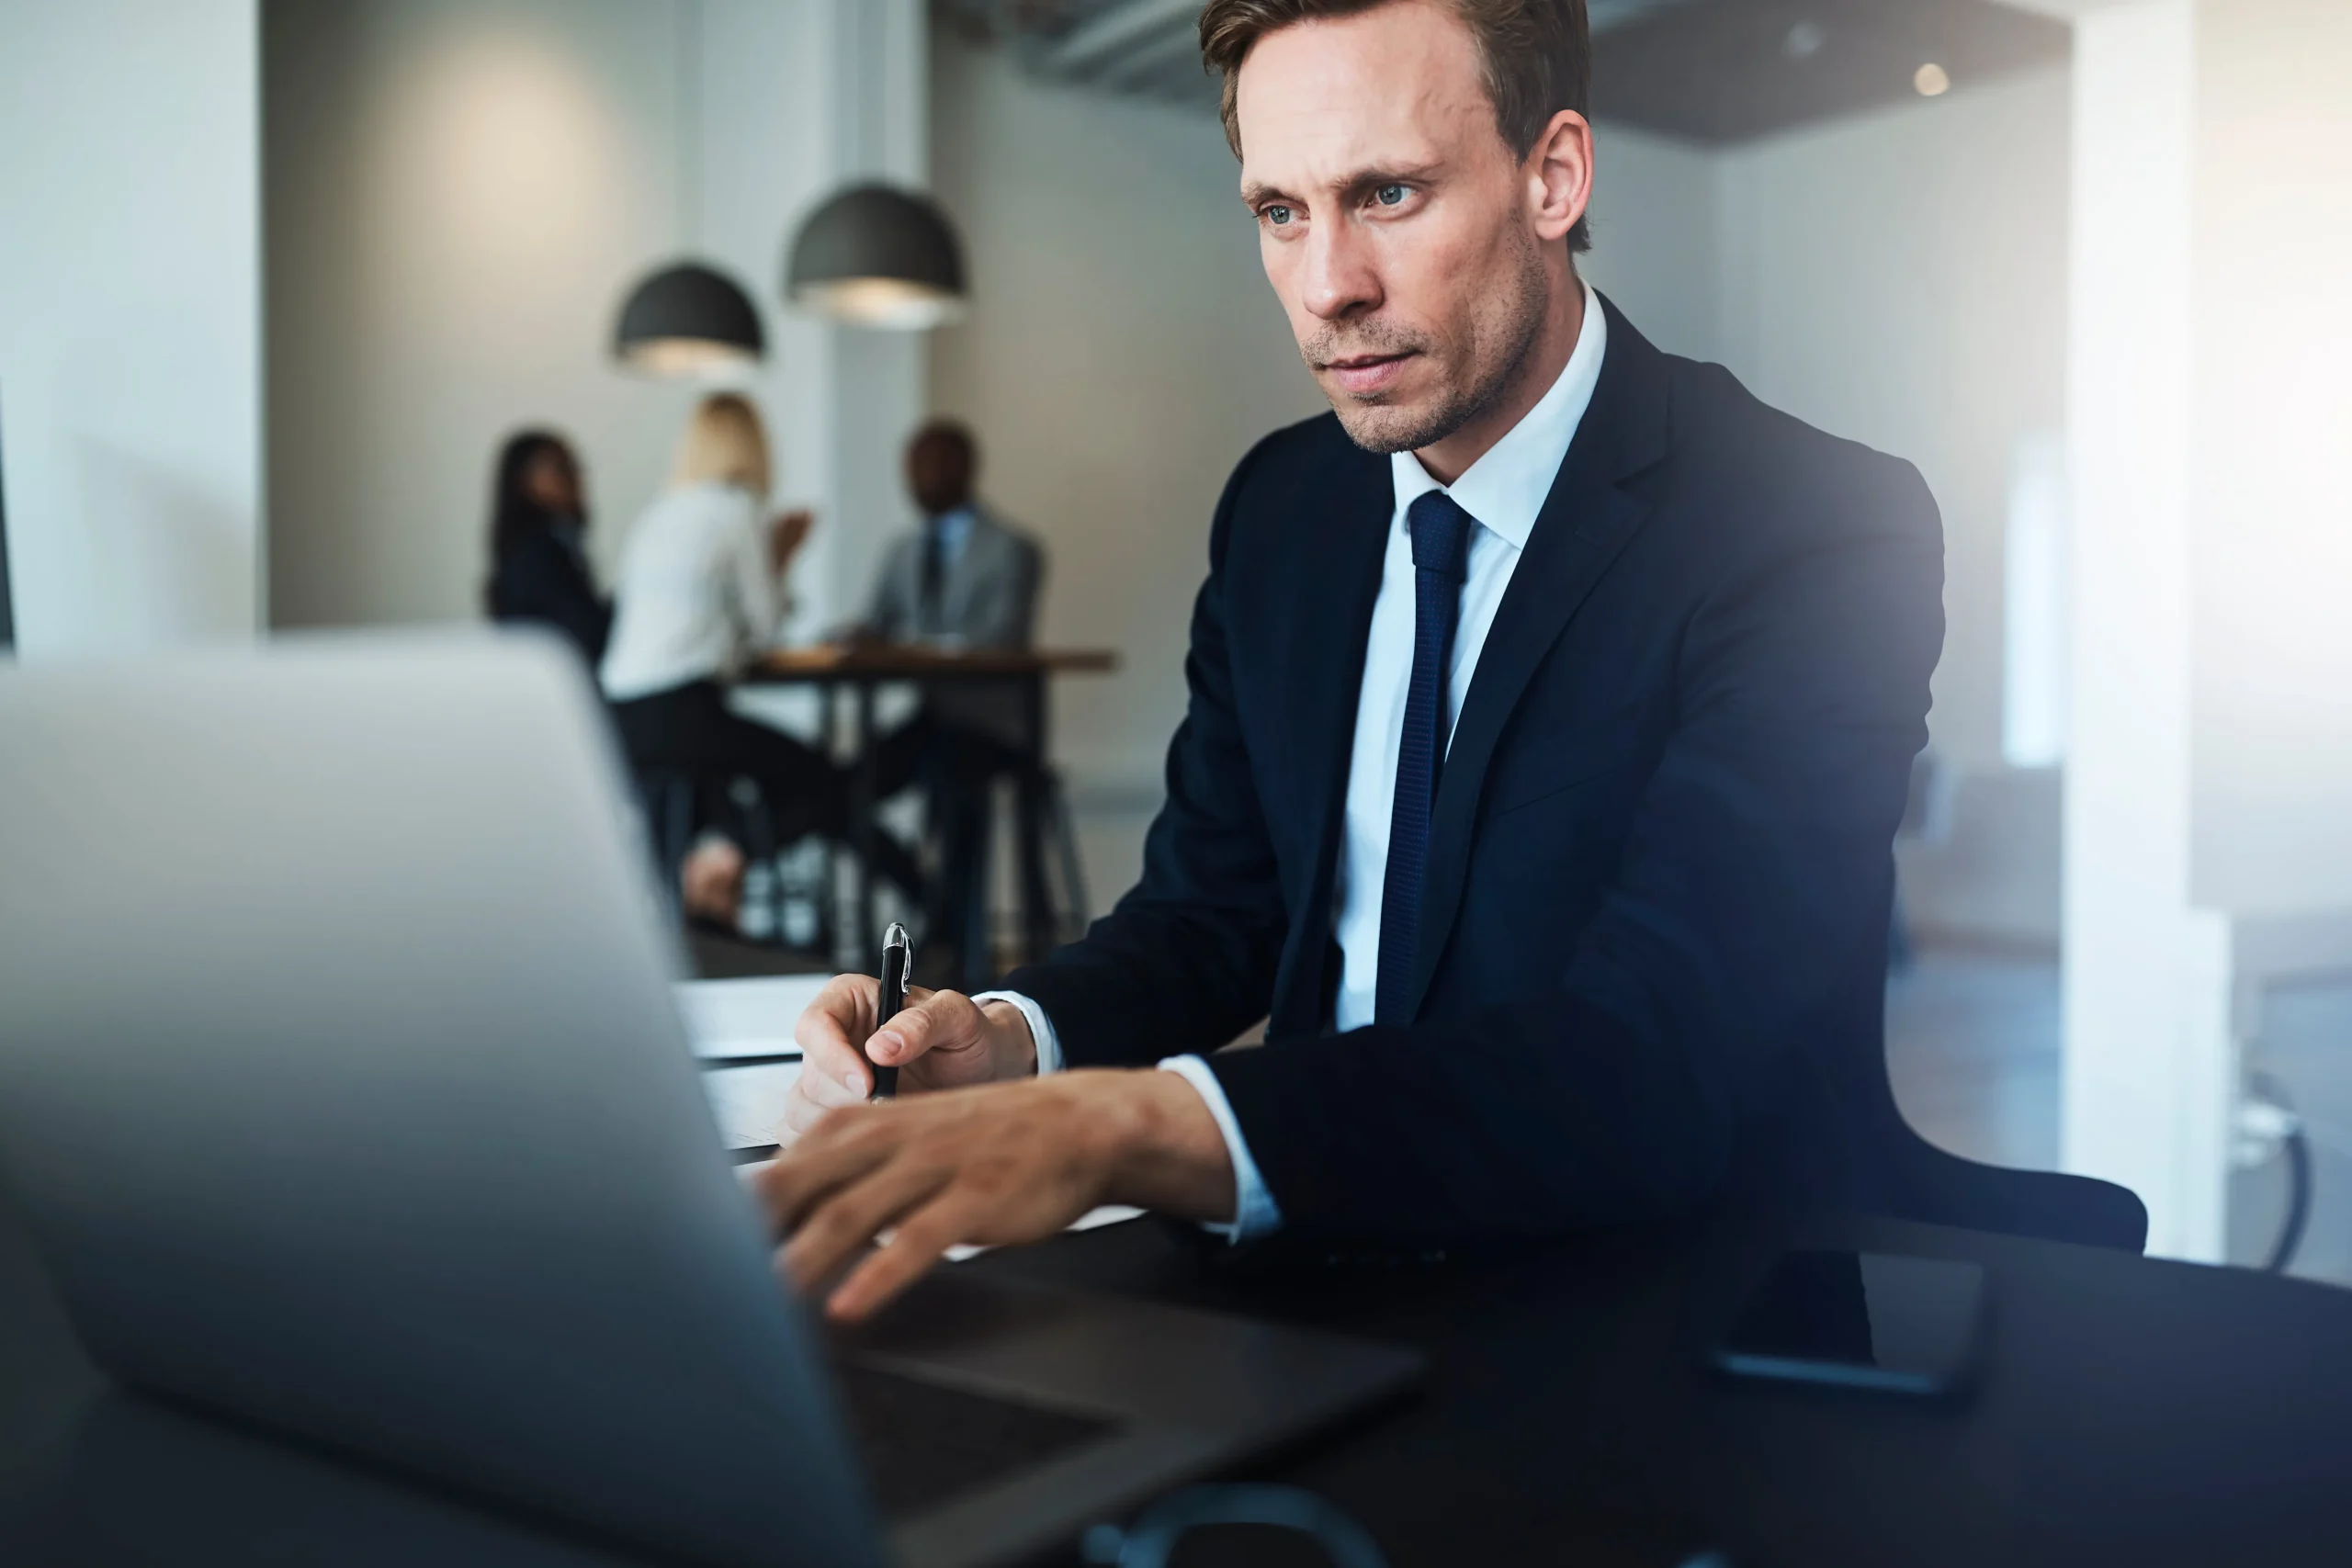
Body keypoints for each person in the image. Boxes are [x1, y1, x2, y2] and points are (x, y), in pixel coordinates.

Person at [763, 0, 1945, 1325]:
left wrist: (1117, 1126)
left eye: (1386, 193)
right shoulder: (1284, 508)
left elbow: (1659, 1056)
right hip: (1305, 1288)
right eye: (1281, 211)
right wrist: (1010, 1039)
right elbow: (1213, 913)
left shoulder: (1813, 524)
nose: (1329, 285)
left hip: (1666, 1341)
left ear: (1552, 175)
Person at [601, 394, 921, 897]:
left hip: (622, 717)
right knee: (825, 784)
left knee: (795, 784)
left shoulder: (659, 514)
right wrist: (783, 555)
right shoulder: (738, 509)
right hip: (682, 710)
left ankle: (714, 866)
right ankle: (722, 855)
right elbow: (766, 627)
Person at [851, 421, 1046, 973]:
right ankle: (930, 904)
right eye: (913, 465)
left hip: (992, 727)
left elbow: (1000, 637)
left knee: (953, 781)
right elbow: (877, 623)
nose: (922, 477)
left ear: (965, 468)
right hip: (930, 717)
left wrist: (908, 645)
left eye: (934, 463)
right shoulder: (902, 551)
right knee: (849, 787)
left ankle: (960, 951)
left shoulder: (1013, 549)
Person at [484, 431, 610, 664]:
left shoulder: (559, 542)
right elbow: (583, 631)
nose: (575, 477)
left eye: (575, 467)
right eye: (561, 468)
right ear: (522, 481)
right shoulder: (536, 555)